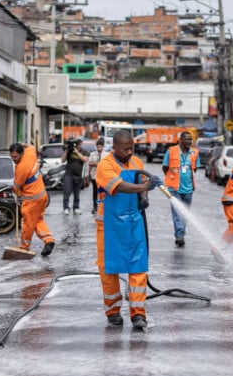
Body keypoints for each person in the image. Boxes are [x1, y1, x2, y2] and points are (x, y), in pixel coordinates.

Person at [95, 129, 162, 329]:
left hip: (134, 222)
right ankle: (113, 311)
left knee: (138, 267)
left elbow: (142, 183)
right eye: (125, 149)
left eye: (132, 148)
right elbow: (120, 186)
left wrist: (144, 198)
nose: (130, 152)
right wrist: (144, 189)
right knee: (108, 270)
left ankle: (138, 313)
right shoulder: (105, 165)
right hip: (109, 226)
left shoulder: (137, 163)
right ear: (114, 147)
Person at [9, 142, 55, 256]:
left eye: (15, 157)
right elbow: (30, 146)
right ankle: (48, 240)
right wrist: (22, 143)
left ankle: (24, 247)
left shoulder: (21, 168)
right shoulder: (29, 152)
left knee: (27, 223)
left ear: (21, 153)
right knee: (38, 220)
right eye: (11, 157)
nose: (13, 159)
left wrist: (14, 188)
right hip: (42, 195)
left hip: (31, 200)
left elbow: (17, 187)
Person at [162, 131, 200, 247]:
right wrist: (172, 178)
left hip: (188, 189)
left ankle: (181, 232)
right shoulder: (171, 151)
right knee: (177, 213)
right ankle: (180, 235)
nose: (189, 142)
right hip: (174, 188)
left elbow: (195, 169)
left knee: (185, 213)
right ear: (181, 140)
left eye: (191, 140)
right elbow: (165, 167)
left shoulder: (194, 152)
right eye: (187, 139)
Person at [61, 138, 87, 215]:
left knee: (77, 193)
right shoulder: (69, 151)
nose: (78, 145)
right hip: (69, 174)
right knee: (66, 192)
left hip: (78, 175)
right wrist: (66, 151)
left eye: (79, 143)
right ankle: (66, 208)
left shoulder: (83, 151)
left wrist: (77, 152)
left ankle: (76, 208)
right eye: (77, 143)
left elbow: (85, 159)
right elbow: (62, 160)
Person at [86, 138, 106, 214]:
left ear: (103, 147)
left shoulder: (106, 154)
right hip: (95, 176)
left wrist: (96, 164)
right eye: (98, 147)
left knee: (102, 192)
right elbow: (89, 163)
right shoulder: (93, 154)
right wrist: (88, 174)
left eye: (100, 147)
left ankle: (103, 206)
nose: (99, 148)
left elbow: (104, 164)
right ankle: (95, 207)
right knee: (95, 192)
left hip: (103, 177)